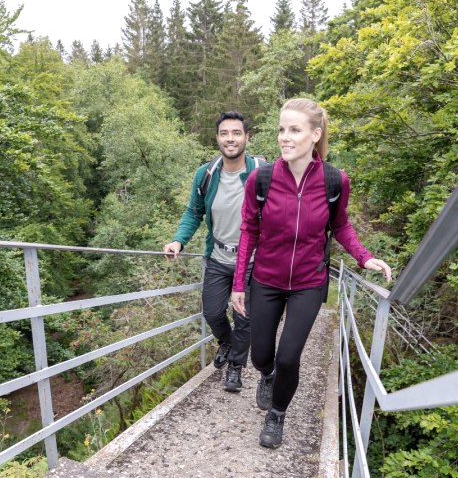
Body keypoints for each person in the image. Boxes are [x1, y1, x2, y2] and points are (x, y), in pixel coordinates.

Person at [231, 98, 392, 449]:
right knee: (261, 355)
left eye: (294, 130)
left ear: (315, 134)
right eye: (281, 130)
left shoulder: (335, 181)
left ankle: (277, 414)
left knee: (289, 354)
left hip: (308, 282)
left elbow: (341, 226)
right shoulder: (261, 179)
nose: (284, 138)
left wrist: (365, 258)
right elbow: (248, 231)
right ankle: (267, 374)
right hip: (266, 280)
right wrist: (238, 283)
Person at [164, 111, 262, 393]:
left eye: (236, 133)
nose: (230, 139)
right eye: (224, 134)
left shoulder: (262, 172)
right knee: (212, 312)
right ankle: (227, 342)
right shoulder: (206, 174)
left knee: (244, 318)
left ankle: (236, 367)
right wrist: (178, 241)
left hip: (254, 261)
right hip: (218, 257)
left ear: (246, 137)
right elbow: (193, 213)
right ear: (217, 138)